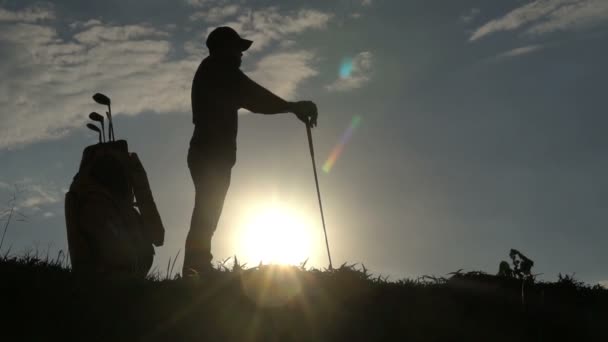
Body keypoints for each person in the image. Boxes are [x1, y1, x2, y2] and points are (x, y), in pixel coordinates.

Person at [184, 26, 318, 276]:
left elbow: (253, 97)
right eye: (238, 49)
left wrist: (290, 108)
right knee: (207, 210)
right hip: (209, 154)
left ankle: (196, 266)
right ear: (224, 48)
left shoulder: (216, 70)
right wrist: (292, 107)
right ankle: (196, 267)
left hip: (209, 153)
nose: (241, 55)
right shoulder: (220, 70)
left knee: (208, 211)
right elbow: (255, 98)